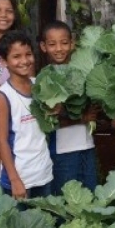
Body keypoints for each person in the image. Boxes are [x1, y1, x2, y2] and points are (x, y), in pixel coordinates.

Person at [39, 21, 99, 191]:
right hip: (61, 150)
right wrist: (82, 119)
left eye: (64, 43)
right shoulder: (45, 79)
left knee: (89, 196)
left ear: (72, 44)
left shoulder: (83, 72)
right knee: (66, 198)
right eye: (52, 44)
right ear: (43, 47)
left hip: (87, 145)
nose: (59, 49)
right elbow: (50, 121)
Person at [0, 31, 53, 199]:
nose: (24, 61)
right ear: (4, 61)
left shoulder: (39, 85)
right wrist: (14, 180)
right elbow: (2, 140)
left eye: (28, 54)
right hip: (19, 177)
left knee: (44, 216)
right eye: (16, 56)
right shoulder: (3, 95)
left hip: (43, 172)